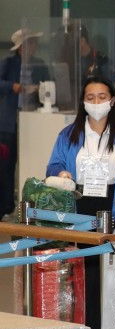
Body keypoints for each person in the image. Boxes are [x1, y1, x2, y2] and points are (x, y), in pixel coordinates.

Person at [47, 76, 115, 329]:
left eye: (102, 97)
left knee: (109, 270)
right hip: (80, 204)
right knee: (86, 272)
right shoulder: (69, 134)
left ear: (113, 101)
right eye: (91, 97)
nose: (97, 102)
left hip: (111, 206)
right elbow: (52, 167)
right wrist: (61, 171)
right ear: (83, 102)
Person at [0, 29, 50, 218]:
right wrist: (13, 87)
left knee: (32, 161)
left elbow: (50, 84)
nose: (33, 48)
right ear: (20, 47)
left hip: (33, 122)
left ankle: (32, 205)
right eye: (29, 44)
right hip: (8, 123)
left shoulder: (40, 65)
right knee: (6, 166)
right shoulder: (8, 64)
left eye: (34, 44)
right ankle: (6, 207)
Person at [77, 26, 115, 100]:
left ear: (82, 41)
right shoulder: (73, 60)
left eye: (73, 41)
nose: (70, 45)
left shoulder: (102, 60)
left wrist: (111, 106)